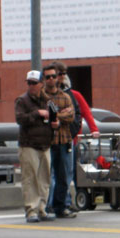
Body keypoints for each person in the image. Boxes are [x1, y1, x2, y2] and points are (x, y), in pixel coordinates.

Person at [46, 61, 99, 212]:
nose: (60, 77)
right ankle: (54, 203)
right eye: (58, 74)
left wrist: (93, 129)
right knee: (55, 173)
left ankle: (65, 201)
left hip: (69, 138)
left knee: (66, 172)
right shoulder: (47, 95)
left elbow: (80, 113)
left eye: (63, 74)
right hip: (52, 139)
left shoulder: (71, 94)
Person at [15, 71, 55, 223]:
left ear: (41, 84)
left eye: (34, 83)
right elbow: (20, 119)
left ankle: (42, 209)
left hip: (45, 144)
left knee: (44, 179)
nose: (31, 86)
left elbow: (54, 118)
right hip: (29, 145)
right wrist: (37, 113)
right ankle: (31, 210)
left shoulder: (48, 101)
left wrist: (55, 124)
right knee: (30, 179)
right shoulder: (22, 100)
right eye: (29, 83)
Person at [41, 64, 77, 218]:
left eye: (53, 76)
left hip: (63, 140)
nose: (51, 79)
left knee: (63, 176)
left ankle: (60, 207)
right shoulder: (41, 97)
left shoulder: (65, 96)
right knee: (46, 177)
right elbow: (40, 116)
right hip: (47, 142)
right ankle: (45, 207)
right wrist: (60, 114)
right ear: (44, 79)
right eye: (48, 77)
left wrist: (56, 117)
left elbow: (71, 115)